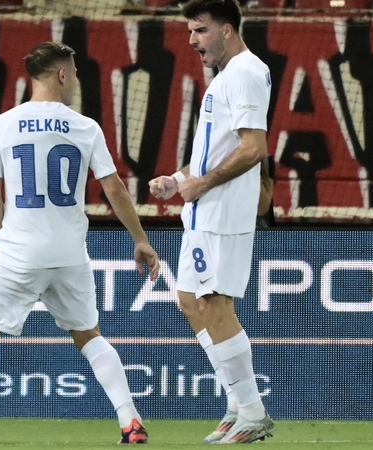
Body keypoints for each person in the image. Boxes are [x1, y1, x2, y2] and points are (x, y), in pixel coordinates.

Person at [0, 42, 160, 445]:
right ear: (61, 74)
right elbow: (114, 188)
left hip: (19, 253)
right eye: (74, 72)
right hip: (70, 254)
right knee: (90, 336)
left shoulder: (2, 124)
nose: (75, 80)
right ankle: (130, 422)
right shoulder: (86, 127)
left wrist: (5, 231)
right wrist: (141, 240)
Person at [148, 0, 274, 444]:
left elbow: (254, 148)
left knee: (215, 305)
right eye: (190, 30)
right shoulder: (226, 76)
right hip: (203, 210)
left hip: (222, 211)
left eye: (200, 30)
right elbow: (213, 151)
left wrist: (202, 184)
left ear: (226, 30)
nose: (191, 40)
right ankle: (236, 403)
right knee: (189, 299)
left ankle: (253, 412)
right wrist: (178, 179)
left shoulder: (244, 73)